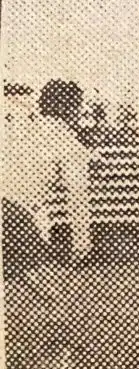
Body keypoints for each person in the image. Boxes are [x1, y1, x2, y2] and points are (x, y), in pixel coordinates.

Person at [3, 79, 91, 299]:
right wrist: (82, 240)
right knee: (53, 292)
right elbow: (77, 196)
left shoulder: (16, 127)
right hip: (17, 216)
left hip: (19, 216)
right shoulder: (64, 139)